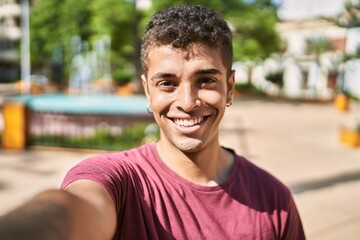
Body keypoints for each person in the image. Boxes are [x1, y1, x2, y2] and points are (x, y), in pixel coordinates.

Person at [0, 5, 306, 240]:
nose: (187, 102)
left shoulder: (274, 199)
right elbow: (71, 210)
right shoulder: (119, 182)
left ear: (230, 87)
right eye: (167, 83)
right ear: (147, 90)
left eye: (206, 80)